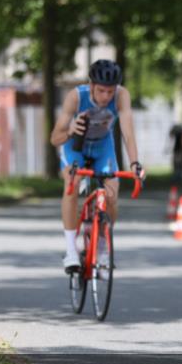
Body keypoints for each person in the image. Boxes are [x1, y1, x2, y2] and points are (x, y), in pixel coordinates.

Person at [50, 59, 145, 272]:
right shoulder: (76, 97)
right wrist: (71, 129)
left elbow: (128, 133)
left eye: (110, 92)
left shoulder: (122, 96)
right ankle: (71, 252)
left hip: (103, 148)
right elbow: (55, 139)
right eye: (101, 91)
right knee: (72, 183)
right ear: (91, 85)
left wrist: (135, 163)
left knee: (111, 194)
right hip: (76, 147)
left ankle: (102, 246)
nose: (106, 97)